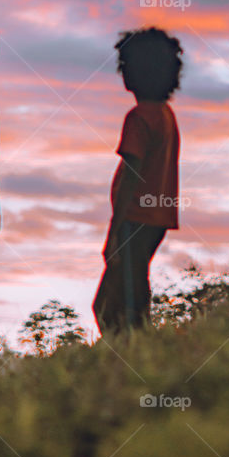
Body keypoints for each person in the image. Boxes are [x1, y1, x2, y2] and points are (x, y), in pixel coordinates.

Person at [93, 27, 183, 334]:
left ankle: (133, 359)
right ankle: (134, 355)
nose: (123, 74)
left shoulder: (140, 117)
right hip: (155, 218)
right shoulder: (165, 114)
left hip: (135, 218)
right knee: (129, 292)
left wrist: (114, 231)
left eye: (126, 66)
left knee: (112, 304)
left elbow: (132, 174)